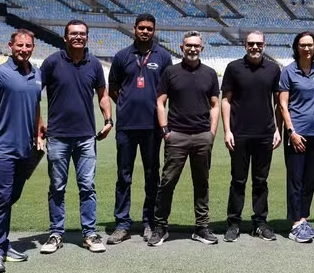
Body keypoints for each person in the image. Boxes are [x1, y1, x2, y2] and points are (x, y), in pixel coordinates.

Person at [39, 20, 113, 254]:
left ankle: (89, 233)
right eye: (73, 34)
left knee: (87, 186)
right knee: (57, 187)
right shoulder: (52, 62)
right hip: (58, 136)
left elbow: (103, 94)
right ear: (65, 37)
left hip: (86, 137)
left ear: (87, 37)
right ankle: (56, 233)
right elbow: (33, 94)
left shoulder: (94, 65)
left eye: (82, 34)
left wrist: (108, 120)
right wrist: (39, 125)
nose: (78, 37)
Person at [0, 29, 44, 273]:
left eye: (28, 46)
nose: (24, 49)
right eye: (19, 45)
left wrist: (38, 132)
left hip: (26, 150)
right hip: (1, 149)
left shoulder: (37, 74)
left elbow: (36, 105)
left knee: (11, 198)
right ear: (10, 46)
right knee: (2, 198)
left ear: (33, 47)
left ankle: (2, 244)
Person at [148, 31, 220, 247]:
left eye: (196, 46)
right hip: (177, 135)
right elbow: (160, 102)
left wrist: (212, 133)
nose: (192, 49)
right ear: (182, 48)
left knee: (202, 182)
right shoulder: (171, 72)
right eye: (188, 45)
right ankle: (160, 227)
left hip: (202, 136)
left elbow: (215, 105)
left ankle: (201, 227)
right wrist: (165, 130)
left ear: (202, 48)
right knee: (167, 182)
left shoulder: (209, 74)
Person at [106, 13, 173, 245]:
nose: (145, 31)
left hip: (153, 126)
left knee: (152, 175)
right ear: (134, 29)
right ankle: (122, 224)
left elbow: (166, 91)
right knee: (124, 176)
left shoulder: (163, 57)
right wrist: (125, 104)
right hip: (126, 126)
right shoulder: (122, 56)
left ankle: (149, 222)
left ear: (154, 31)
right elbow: (113, 87)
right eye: (141, 28)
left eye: (149, 28)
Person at [221, 31, 282, 242]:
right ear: (244, 45)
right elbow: (226, 100)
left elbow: (278, 103)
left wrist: (277, 129)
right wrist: (227, 130)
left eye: (258, 44)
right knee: (238, 180)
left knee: (260, 181)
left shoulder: (273, 69)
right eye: (251, 44)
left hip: (265, 134)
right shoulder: (234, 68)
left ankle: (260, 222)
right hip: (239, 135)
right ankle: (234, 223)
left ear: (264, 45)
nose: (255, 47)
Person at [278, 32, 314, 244]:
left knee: (309, 179)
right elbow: (282, 105)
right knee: (296, 178)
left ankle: (304, 218)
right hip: (297, 133)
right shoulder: (288, 71)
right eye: (303, 45)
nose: (307, 48)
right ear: (296, 47)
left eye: (310, 45)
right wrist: (291, 132)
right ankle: (295, 223)